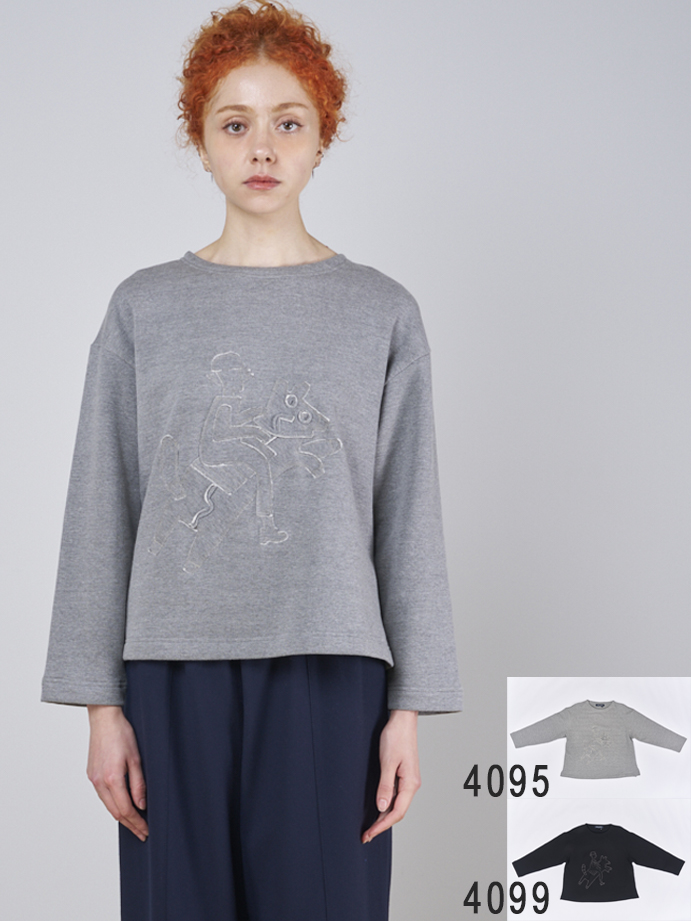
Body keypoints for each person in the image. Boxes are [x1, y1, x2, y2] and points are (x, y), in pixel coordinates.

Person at [41, 2, 462, 919]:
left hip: (331, 668)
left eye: (288, 123)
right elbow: (101, 502)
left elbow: (407, 512)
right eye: (235, 125)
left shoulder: (379, 311)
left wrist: (409, 708)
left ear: (321, 138)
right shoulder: (144, 308)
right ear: (200, 141)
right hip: (170, 669)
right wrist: (100, 707)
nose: (262, 147)